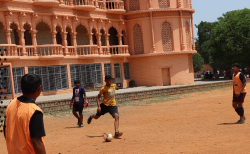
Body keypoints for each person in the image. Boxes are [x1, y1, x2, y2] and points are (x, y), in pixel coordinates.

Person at [4, 74, 46, 154]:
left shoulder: (11, 104)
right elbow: (37, 142)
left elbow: (6, 130)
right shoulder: (34, 111)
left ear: (21, 87)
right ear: (39, 89)